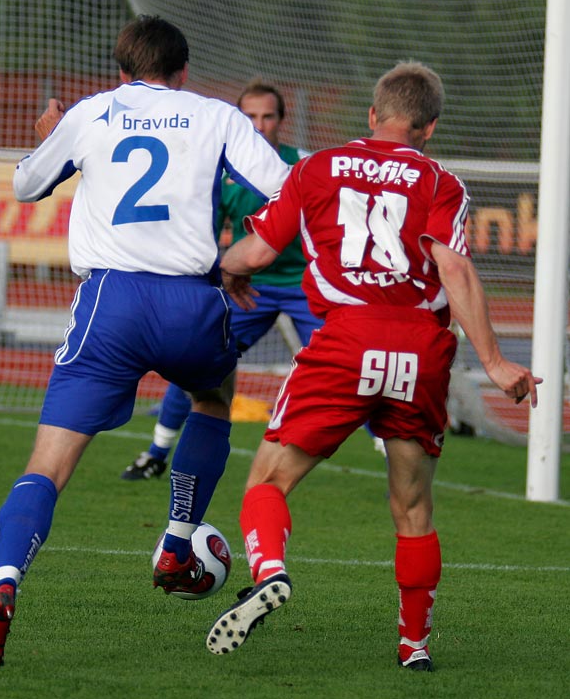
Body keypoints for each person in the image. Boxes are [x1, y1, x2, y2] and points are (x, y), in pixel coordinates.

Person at [0, 15, 290, 670]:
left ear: (121, 70)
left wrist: (51, 136)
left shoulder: (91, 113)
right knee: (213, 396)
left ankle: (4, 585)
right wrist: (237, 258)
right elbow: (283, 188)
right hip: (192, 300)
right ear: (183, 72)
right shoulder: (215, 114)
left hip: (110, 304)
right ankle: (175, 540)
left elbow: (26, 185)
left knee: (47, 466)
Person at [205, 61, 541, 671]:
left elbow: (255, 250)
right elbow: (456, 270)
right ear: (430, 127)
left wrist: (225, 269)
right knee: (413, 507)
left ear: (371, 115)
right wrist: (494, 363)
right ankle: (414, 645)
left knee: (267, 482)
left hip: (346, 339)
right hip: (420, 350)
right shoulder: (440, 181)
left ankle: (270, 572)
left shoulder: (313, 169)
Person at [122, 80, 384, 481]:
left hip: (304, 285)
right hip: (247, 289)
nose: (259, 125)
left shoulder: (307, 164)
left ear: (282, 120)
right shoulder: (221, 170)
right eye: (250, 117)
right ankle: (156, 453)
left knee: (354, 364)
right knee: (196, 355)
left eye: (267, 116)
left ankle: (392, 459)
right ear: (238, 120)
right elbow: (207, 235)